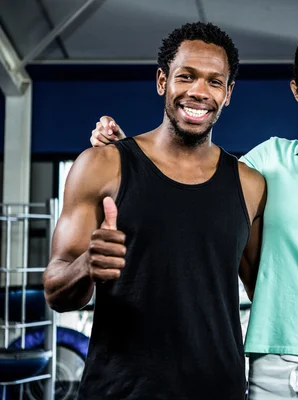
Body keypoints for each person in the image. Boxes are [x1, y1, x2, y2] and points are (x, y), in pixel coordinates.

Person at [89, 30, 298, 399]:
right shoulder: (266, 160)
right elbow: (191, 188)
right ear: (296, 91)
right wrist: (128, 154)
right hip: (272, 366)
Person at [43, 22, 267, 399]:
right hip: (119, 390)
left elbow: (272, 291)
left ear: (228, 94)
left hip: (219, 390)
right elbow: (56, 290)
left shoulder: (249, 185)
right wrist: (86, 265)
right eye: (187, 76)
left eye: (215, 82)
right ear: (163, 80)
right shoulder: (103, 166)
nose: (199, 92)